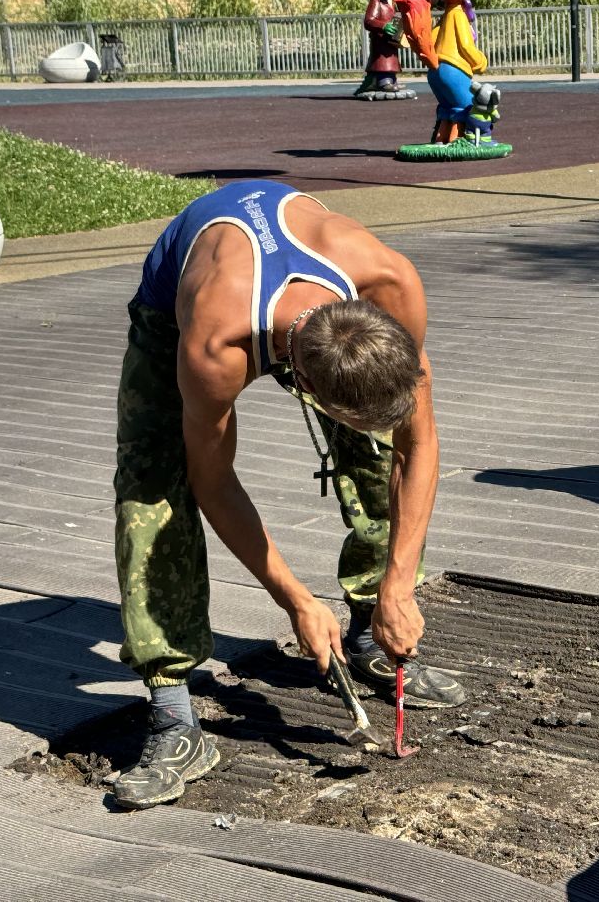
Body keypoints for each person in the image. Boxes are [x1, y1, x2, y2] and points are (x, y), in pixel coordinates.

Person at [110, 179, 466, 810]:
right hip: (181, 300)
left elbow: (419, 444)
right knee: (154, 488)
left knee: (377, 449)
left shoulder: (390, 281)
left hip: (301, 288)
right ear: (302, 385)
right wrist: (295, 601)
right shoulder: (214, 344)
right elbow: (212, 481)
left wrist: (399, 584)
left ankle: (366, 632)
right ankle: (172, 712)